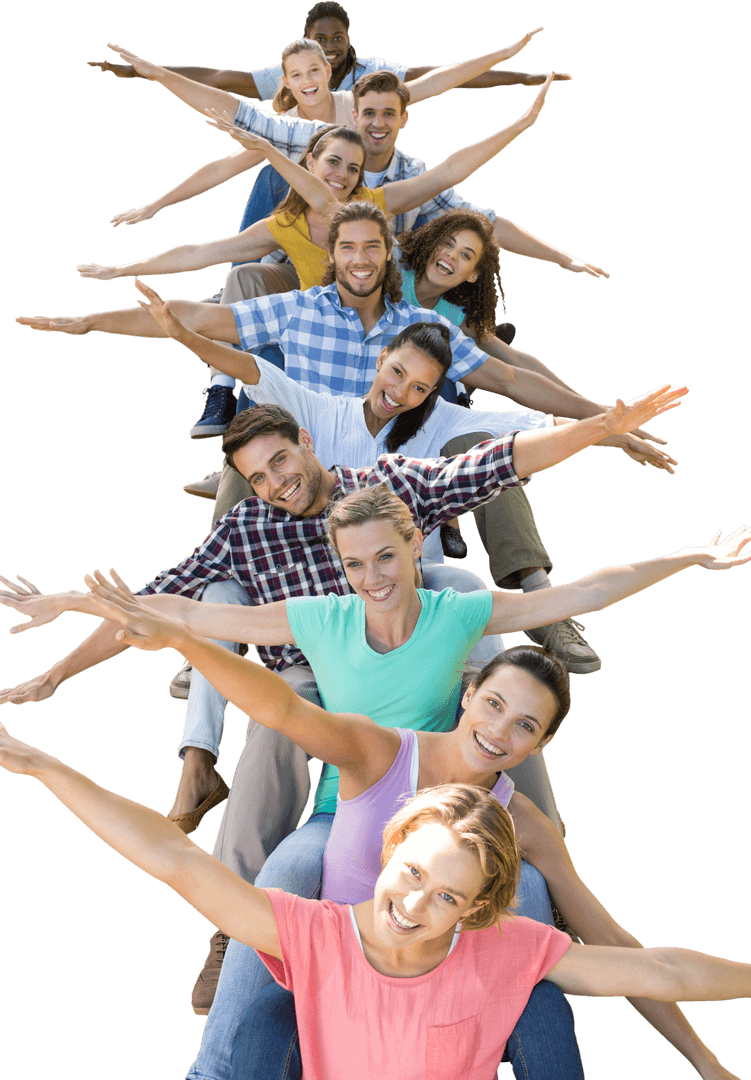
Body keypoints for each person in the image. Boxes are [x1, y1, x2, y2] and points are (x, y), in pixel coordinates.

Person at [65, 559, 743, 1080]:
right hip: (343, 954)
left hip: (450, 971)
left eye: (525, 726)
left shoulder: (520, 829)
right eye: (494, 705)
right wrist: (183, 639)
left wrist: (702, 1059)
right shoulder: (383, 752)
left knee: (534, 932)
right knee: (294, 870)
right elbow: (279, 713)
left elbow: (637, 957)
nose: (499, 731)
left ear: (540, 744)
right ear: (468, 692)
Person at [0, 381, 687, 855]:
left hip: (412, 645)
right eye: (258, 478)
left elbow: (493, 465)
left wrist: (599, 428)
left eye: (279, 462)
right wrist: (60, 664)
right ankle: (234, 917)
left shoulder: (383, 486)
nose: (277, 485)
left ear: (304, 439)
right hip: (308, 663)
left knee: (487, 663)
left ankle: (540, 843)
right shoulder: (246, 527)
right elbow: (152, 601)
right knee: (272, 730)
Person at [0, 725, 748, 1080]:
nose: (414, 903)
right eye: (414, 872)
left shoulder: (508, 948)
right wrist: (42, 765)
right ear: (391, 851)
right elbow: (171, 857)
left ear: (475, 911)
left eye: (446, 895)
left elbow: (662, 972)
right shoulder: (311, 933)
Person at [76, 70, 555, 292]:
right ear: (310, 160)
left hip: (387, 312)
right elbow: (201, 252)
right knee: (240, 286)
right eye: (335, 164)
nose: (345, 177)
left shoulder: (373, 200)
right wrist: (122, 270)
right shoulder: (283, 229)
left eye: (353, 167)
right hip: (323, 324)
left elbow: (450, 170)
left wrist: (518, 127)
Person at [103, 30, 556, 229]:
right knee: (272, 168)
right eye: (297, 76)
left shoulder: (357, 104)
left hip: (374, 204)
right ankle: (257, 253)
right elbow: (221, 162)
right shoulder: (288, 129)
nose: (308, 81)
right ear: (285, 82)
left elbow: (434, 81)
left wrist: (504, 54)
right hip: (313, 215)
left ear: (329, 69)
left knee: (444, 204)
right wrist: (156, 205)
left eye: (315, 70)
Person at [87, 2, 570, 99]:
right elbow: (217, 77)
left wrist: (524, 78)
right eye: (321, 39)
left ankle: (463, 321)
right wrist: (141, 71)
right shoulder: (289, 77)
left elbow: (444, 74)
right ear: (305, 45)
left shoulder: (373, 74)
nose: (331, 47)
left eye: (338, 38)